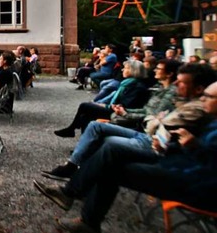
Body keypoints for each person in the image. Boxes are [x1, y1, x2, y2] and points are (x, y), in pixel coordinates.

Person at [33, 71, 217, 233]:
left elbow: (205, 161)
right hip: (178, 163)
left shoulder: (197, 110)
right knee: (110, 154)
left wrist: (194, 146)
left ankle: (76, 200)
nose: (203, 99)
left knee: (112, 156)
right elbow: (163, 127)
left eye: (208, 96)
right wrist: (178, 146)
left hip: (196, 183)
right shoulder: (202, 114)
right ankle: (80, 207)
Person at [41, 59, 182, 181]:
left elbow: (150, 116)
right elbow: (145, 111)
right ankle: (75, 165)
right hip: (133, 120)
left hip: (144, 131)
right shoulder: (158, 88)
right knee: (90, 117)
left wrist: (123, 113)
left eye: (159, 68)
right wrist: (121, 110)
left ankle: (75, 166)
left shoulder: (161, 92)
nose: (154, 70)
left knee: (92, 119)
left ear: (169, 74)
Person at [54, 60, 150, 137]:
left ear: (133, 70)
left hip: (120, 114)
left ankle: (71, 130)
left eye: (125, 68)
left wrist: (105, 105)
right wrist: (102, 104)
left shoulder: (137, 87)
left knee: (85, 106)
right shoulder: (127, 83)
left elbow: (125, 105)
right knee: (85, 116)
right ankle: (84, 144)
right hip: (114, 109)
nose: (122, 70)